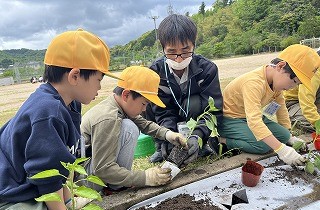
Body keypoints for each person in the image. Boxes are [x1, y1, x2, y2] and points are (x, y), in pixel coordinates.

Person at [0, 29, 117, 210]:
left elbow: (59, 163)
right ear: (75, 76)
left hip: (30, 183)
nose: (100, 87)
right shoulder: (48, 112)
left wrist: (68, 202)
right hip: (10, 194)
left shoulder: (71, 104)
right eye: (99, 79)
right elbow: (46, 177)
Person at [79, 66, 187, 193]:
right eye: (144, 103)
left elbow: (144, 124)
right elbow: (103, 168)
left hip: (92, 169)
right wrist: (145, 178)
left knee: (130, 125)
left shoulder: (117, 105)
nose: (144, 109)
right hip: (84, 181)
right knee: (129, 128)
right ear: (126, 95)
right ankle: (114, 188)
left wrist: (169, 134)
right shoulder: (108, 118)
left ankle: (115, 185)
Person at [217, 44, 320, 166]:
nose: (292, 87)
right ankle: (223, 141)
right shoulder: (253, 83)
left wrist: (290, 136)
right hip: (230, 120)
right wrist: (282, 151)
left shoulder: (276, 84)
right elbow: (254, 121)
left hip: (248, 117)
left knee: (284, 136)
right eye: (294, 82)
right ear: (281, 66)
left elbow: (281, 108)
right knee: (263, 146)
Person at [145, 14, 223, 164]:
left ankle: (200, 144)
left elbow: (214, 109)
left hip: (192, 117)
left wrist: (198, 136)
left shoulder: (207, 69)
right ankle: (160, 145)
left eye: (186, 50)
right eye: (172, 52)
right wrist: (167, 135)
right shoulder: (156, 72)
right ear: (163, 49)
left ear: (194, 45)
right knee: (146, 104)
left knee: (194, 102)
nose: (179, 59)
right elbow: (161, 110)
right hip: (170, 116)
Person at [283, 49, 320, 133]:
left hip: (314, 101)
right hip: (294, 102)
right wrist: (318, 124)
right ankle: (292, 118)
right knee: (314, 124)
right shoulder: (314, 71)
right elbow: (306, 103)